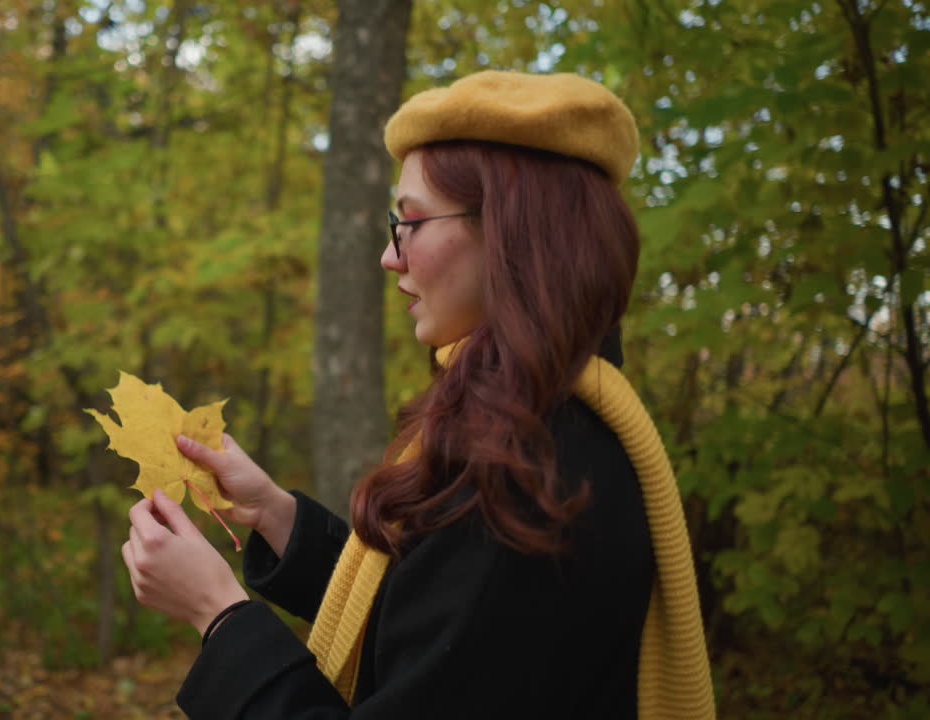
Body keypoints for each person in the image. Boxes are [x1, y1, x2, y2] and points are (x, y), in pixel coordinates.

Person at [121, 71, 715, 719]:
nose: (388, 256)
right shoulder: (537, 426)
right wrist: (274, 514)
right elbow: (431, 639)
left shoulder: (528, 476)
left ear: (514, 233)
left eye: (410, 222)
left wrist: (218, 613)